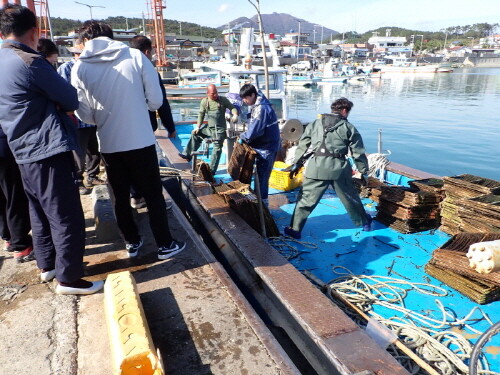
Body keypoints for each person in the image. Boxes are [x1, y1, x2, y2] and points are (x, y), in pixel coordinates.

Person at [0, 4, 103, 295]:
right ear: (34, 33)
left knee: (39, 211)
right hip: (46, 148)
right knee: (64, 214)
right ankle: (69, 278)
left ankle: (47, 266)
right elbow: (70, 98)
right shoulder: (30, 62)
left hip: (20, 148)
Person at [72, 20, 185, 260]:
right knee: (153, 195)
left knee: (119, 196)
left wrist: (102, 118)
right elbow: (156, 100)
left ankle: (132, 242)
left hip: (109, 143)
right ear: (112, 36)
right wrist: (137, 108)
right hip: (141, 140)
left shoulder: (79, 67)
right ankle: (165, 244)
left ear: (85, 41)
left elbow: (84, 115)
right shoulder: (135, 56)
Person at [284, 97, 372, 239]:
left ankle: (295, 229)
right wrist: (363, 171)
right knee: (350, 198)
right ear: (344, 111)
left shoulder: (315, 123)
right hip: (339, 170)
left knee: (306, 200)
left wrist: (295, 163)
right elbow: (358, 152)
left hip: (317, 168)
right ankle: (365, 222)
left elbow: (303, 144)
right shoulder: (348, 127)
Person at [129, 35, 176, 209]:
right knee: (148, 165)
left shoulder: (118, 70)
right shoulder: (147, 69)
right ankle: (155, 203)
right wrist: (170, 127)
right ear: (147, 51)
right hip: (144, 126)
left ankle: (136, 196)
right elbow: (160, 102)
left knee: (131, 163)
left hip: (123, 125)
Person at [57, 40, 104, 195]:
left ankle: (92, 175)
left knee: (94, 150)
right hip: (77, 120)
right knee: (79, 152)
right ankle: (78, 180)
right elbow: (64, 93)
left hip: (93, 117)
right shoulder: (66, 68)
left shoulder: (91, 67)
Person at [178, 84, 238, 174]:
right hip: (209, 128)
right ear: (208, 93)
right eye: (213, 93)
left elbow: (232, 108)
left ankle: (211, 170)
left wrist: (235, 114)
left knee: (217, 148)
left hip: (220, 130)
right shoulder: (204, 102)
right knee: (196, 134)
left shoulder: (223, 100)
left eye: (216, 93)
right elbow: (201, 114)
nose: (215, 95)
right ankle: (187, 154)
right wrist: (198, 127)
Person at [238, 84, 280, 200]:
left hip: (267, 148)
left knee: (262, 176)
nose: (245, 101)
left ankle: (262, 205)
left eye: (246, 98)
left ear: (253, 95)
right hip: (262, 145)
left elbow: (254, 132)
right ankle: (259, 199)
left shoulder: (262, 108)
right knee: (260, 175)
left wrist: (243, 136)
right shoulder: (257, 105)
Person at [0, 126, 33, 263]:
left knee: (3, 197)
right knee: (14, 196)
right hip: (4, 145)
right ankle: (20, 245)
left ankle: (7, 237)